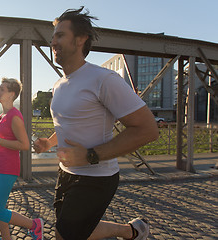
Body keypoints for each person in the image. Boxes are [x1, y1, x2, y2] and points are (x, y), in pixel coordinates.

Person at [33, 7, 159, 240]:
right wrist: (49, 143)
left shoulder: (104, 79)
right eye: (53, 37)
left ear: (81, 39)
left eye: (60, 35)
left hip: (96, 178)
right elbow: (68, 124)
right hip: (66, 173)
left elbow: (148, 129)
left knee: (65, 235)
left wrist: (90, 155)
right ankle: (131, 231)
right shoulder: (59, 85)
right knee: (76, 230)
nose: (53, 42)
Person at [0, 78, 44, 240]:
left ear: (11, 94)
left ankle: (35, 225)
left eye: (1, 89)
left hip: (8, 168)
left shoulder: (14, 116)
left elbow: (24, 145)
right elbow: (3, 142)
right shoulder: (3, 115)